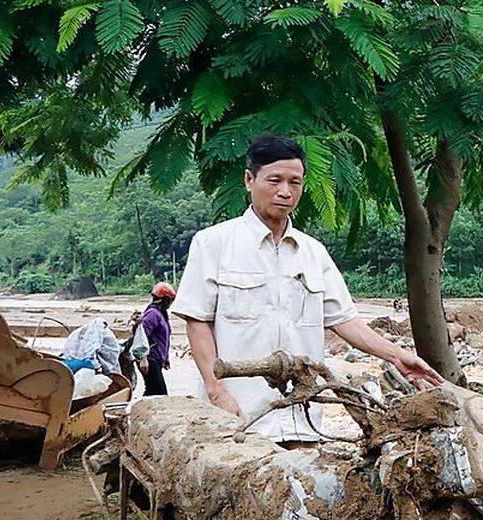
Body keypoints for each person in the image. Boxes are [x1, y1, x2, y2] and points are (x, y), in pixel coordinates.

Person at [170, 135, 443, 443]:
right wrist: (216, 391)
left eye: (295, 182)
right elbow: (197, 321)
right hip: (237, 422)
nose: (285, 192)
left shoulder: (313, 253)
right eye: (274, 180)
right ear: (249, 180)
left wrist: (398, 356)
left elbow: (344, 320)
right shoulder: (213, 244)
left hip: (302, 421)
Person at [139, 282, 176, 396]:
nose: (170, 304)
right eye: (170, 301)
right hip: (150, 359)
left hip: (156, 359)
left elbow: (162, 338)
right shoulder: (153, 314)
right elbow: (142, 336)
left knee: (152, 391)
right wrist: (143, 358)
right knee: (160, 392)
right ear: (165, 300)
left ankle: (139, 412)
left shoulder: (161, 314)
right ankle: (138, 411)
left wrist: (165, 358)